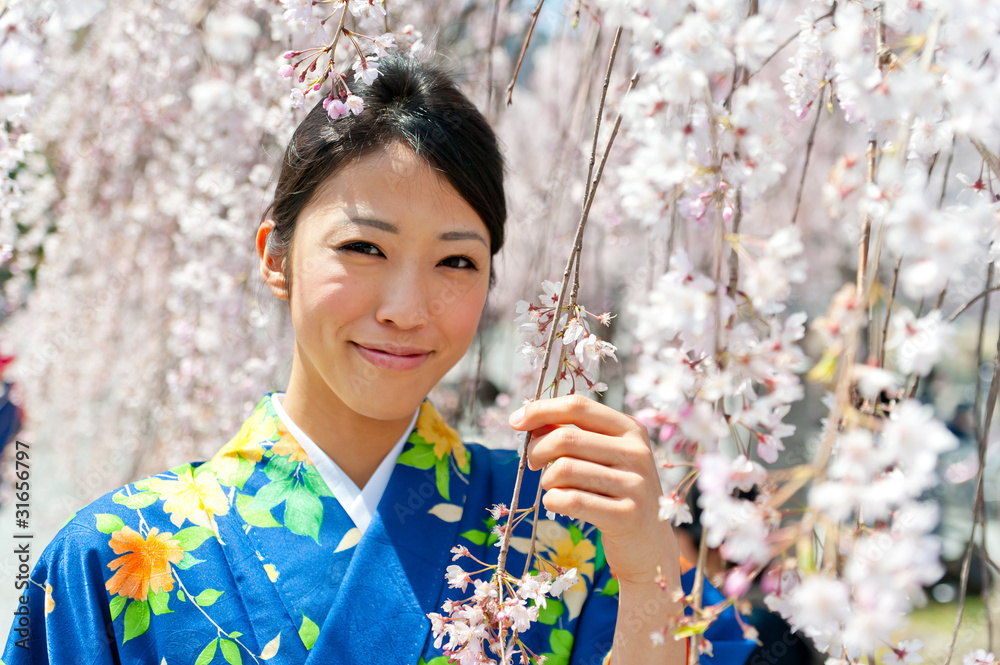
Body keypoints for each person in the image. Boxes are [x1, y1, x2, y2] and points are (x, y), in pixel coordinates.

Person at [2, 54, 755, 665]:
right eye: (364, 247)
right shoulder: (111, 556)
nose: (405, 307)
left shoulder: (569, 542)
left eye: (455, 263)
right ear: (276, 255)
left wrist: (650, 579)